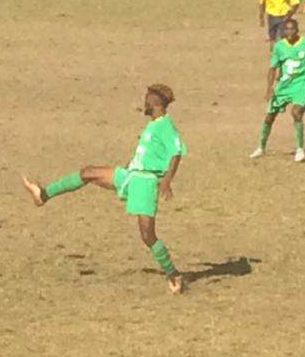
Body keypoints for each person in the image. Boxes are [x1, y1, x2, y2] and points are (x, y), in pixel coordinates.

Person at [21, 84, 186, 294]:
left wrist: (167, 181)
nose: (144, 102)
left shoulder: (166, 126)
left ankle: (173, 275)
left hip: (145, 182)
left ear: (155, 102)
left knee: (147, 235)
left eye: (147, 98)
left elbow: (176, 152)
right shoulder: (153, 124)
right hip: (131, 175)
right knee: (88, 172)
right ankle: (43, 194)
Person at [250, 19, 305, 162]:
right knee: (269, 116)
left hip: (301, 86)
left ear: (297, 30)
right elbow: (272, 68)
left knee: (296, 112)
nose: (289, 32)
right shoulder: (279, 46)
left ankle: (300, 150)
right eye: (287, 29)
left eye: (292, 29)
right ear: (283, 31)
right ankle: (261, 147)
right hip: (284, 86)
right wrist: (269, 88)